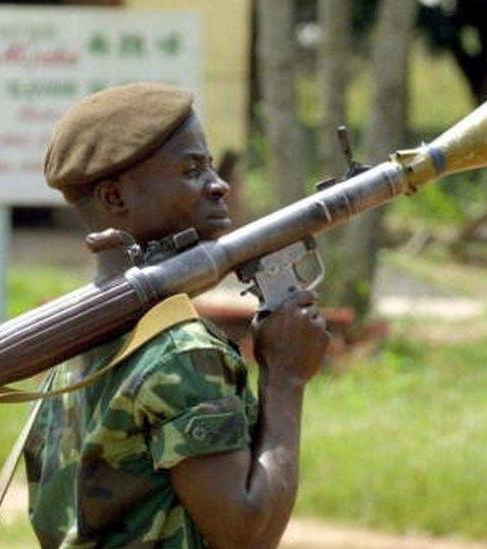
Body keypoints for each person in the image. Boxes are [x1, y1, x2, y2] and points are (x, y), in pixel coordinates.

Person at [24, 82, 330, 548]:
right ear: (114, 199)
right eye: (191, 170)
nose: (218, 184)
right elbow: (246, 532)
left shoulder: (73, 339)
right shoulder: (181, 351)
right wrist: (286, 377)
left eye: (209, 165)